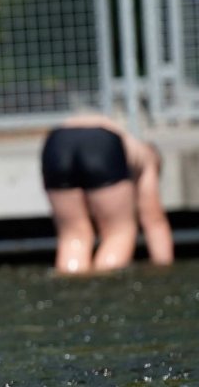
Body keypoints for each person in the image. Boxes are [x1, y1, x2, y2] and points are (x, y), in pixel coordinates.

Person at [40, 115, 173, 274]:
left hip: (57, 141)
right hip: (101, 144)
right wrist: (165, 271)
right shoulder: (149, 156)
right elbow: (155, 221)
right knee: (119, 233)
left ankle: (71, 285)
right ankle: (105, 285)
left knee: (73, 236)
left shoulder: (125, 138)